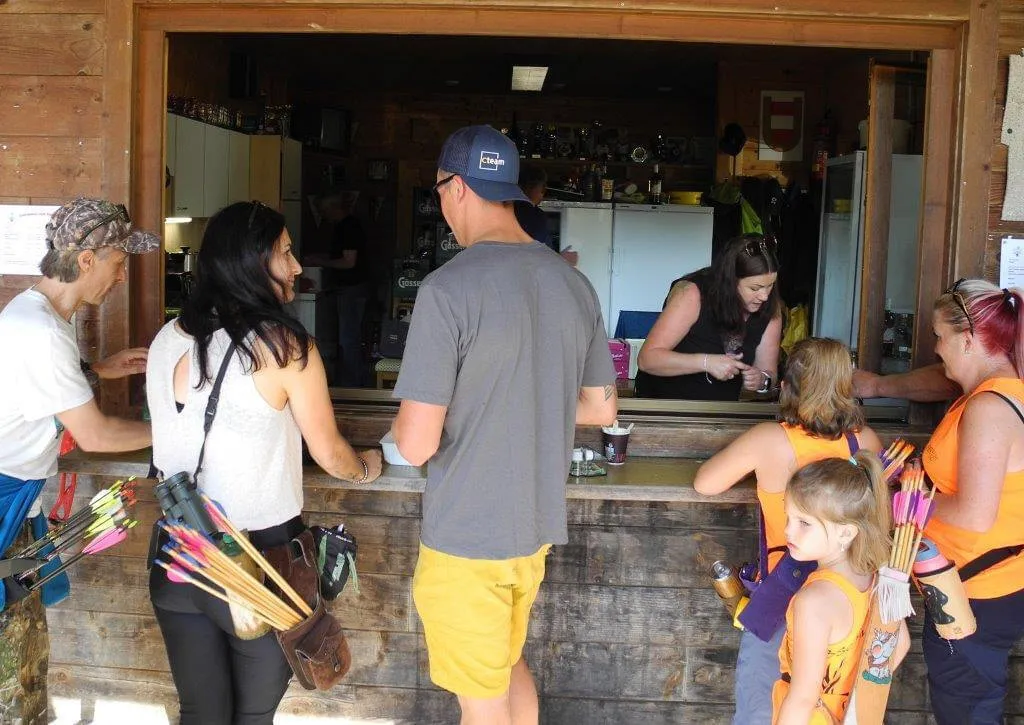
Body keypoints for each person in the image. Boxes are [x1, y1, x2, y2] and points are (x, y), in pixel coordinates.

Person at [390, 125, 617, 725]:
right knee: (508, 667)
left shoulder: (447, 289)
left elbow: (415, 443)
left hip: (467, 538)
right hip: (530, 534)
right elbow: (601, 408)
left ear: (457, 188)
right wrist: (521, 400)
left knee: (482, 705)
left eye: (439, 190)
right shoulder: (574, 284)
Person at [146, 200, 383, 725]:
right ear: (253, 263)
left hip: (179, 553)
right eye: (285, 253)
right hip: (261, 559)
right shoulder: (283, 346)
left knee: (201, 713)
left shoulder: (166, 338)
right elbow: (332, 456)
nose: (297, 266)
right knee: (253, 716)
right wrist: (370, 466)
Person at [0, 197, 157, 724]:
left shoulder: (37, 312)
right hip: (5, 497)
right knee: (15, 671)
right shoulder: (43, 331)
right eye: (119, 262)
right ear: (87, 259)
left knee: (25, 650)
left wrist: (97, 370)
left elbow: (38, 389)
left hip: (16, 499)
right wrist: (183, 435)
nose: (122, 276)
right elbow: (94, 433)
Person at [693, 337, 882, 725]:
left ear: (785, 387)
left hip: (785, 591)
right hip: (849, 594)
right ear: (847, 387)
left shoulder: (771, 439)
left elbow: (705, 483)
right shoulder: (864, 442)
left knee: (764, 703)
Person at [917, 279, 1024, 724]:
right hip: (982, 584)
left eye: (939, 336)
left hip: (977, 592)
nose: (936, 348)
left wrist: (909, 503)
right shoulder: (995, 395)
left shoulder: (990, 408)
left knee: (967, 709)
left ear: (968, 338)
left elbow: (976, 514)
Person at [773, 453, 909, 725]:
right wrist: (856, 696)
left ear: (846, 533)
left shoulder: (814, 600)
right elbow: (901, 643)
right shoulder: (873, 579)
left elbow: (803, 698)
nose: (788, 530)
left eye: (804, 523)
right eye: (788, 516)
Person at [635, 233, 782, 401]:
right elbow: (647, 359)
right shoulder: (691, 294)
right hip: (664, 404)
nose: (764, 296)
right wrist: (706, 362)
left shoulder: (770, 307)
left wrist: (762, 380)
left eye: (770, 286)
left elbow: (769, 373)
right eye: (755, 288)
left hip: (719, 409)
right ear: (731, 281)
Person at [317, 190, 370, 387]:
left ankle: (352, 387)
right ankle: (352, 383)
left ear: (334, 208)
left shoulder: (348, 227)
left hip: (352, 289)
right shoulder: (345, 226)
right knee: (349, 339)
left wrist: (321, 261)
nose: (322, 214)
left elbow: (349, 262)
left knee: (349, 340)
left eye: (324, 210)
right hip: (351, 289)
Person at [513, 165, 553, 249]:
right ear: (541, 188)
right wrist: (562, 256)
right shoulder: (537, 216)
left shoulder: (507, 210)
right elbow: (544, 251)